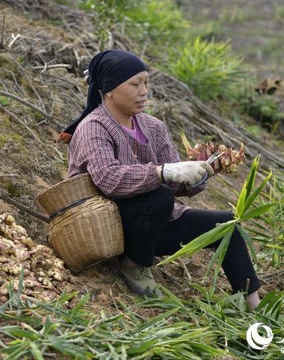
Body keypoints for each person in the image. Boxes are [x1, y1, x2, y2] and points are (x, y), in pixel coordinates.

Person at [59, 49, 261, 309]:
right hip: (104, 226)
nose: (144, 91)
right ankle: (134, 265)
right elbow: (108, 179)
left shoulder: (153, 127)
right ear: (109, 89)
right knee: (159, 196)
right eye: (135, 84)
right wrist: (161, 172)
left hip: (149, 225)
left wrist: (202, 171)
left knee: (227, 225)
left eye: (146, 82)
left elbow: (175, 182)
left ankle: (256, 307)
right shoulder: (93, 127)